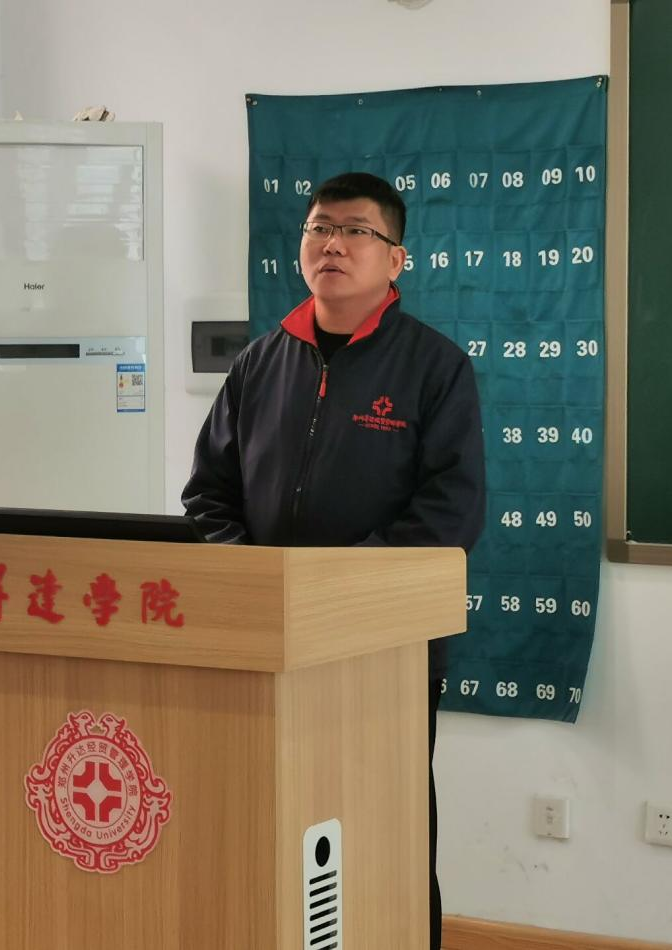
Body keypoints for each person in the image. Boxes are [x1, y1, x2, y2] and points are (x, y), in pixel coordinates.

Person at [182, 171, 486, 948]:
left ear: (395, 259)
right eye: (319, 227)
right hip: (260, 642)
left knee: (388, 826)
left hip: (382, 649)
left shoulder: (435, 367)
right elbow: (207, 495)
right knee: (264, 821)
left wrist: (329, 590)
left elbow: (451, 513)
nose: (333, 245)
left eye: (355, 231)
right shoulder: (258, 363)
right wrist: (255, 580)